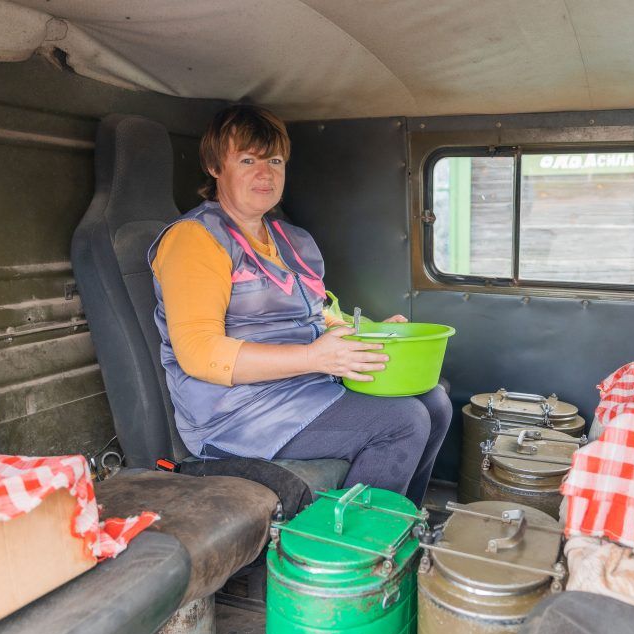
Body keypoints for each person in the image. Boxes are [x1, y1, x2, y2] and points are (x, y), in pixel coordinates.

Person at [148, 104, 450, 506]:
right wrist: (314, 357)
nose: (265, 173)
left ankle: (397, 522)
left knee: (435, 401)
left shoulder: (292, 240)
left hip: (304, 387)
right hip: (237, 413)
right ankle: (350, 542)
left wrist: (370, 333)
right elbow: (199, 353)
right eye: (248, 160)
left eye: (274, 161)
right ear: (215, 167)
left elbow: (317, 311)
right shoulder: (194, 239)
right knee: (403, 421)